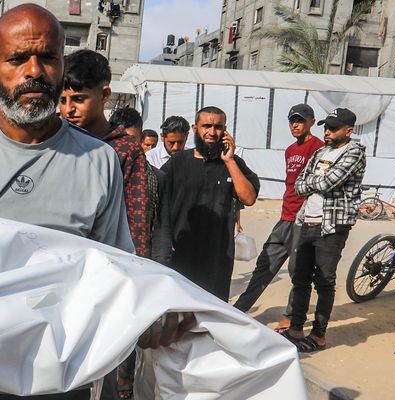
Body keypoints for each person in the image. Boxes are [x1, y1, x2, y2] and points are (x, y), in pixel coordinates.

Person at [0, 5, 193, 398]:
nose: (34, 71)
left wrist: (151, 310)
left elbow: (114, 269)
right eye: (18, 59)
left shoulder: (99, 160)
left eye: (47, 58)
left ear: (61, 67)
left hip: (59, 375)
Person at [152, 106, 260, 301]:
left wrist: (229, 161)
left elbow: (249, 198)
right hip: (181, 251)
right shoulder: (178, 162)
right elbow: (156, 198)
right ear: (195, 128)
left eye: (218, 127)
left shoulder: (233, 163)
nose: (212, 132)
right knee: (179, 306)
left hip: (218, 256)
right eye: (206, 126)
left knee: (212, 308)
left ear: (225, 131)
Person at [283, 107, 366, 353]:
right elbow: (299, 185)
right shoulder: (320, 152)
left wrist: (312, 183)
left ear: (348, 130)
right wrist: (313, 183)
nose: (327, 131)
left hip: (331, 226)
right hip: (307, 221)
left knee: (324, 281)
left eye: (333, 128)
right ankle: (295, 329)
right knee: (300, 278)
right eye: (326, 127)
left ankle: (318, 335)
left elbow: (330, 181)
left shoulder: (354, 153)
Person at [59, 49, 154, 259]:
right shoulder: (57, 140)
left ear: (104, 95)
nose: (68, 109)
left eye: (78, 99)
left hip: (105, 258)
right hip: (58, 253)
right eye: (62, 100)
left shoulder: (125, 149)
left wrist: (135, 266)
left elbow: (137, 220)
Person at [233, 105, 324, 312]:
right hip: (285, 217)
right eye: (292, 121)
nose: (295, 125)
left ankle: (292, 316)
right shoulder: (290, 150)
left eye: (300, 121)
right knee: (264, 264)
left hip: (303, 220)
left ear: (311, 121)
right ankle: (239, 309)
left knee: (298, 271)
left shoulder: (318, 148)